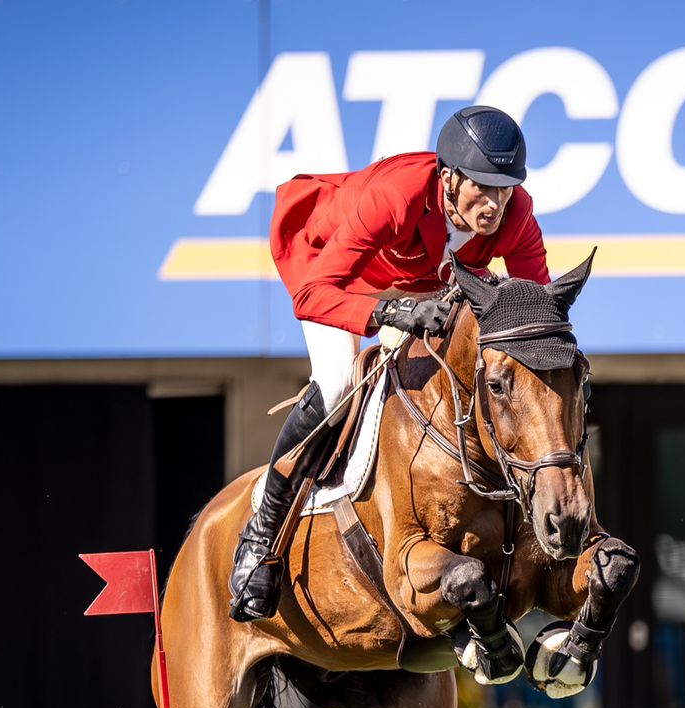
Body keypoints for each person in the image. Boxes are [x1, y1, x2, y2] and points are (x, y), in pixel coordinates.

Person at [227, 105, 552, 622]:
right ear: (447, 177)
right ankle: (261, 535)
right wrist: (389, 311)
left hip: (425, 284)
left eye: (505, 188)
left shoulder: (516, 215)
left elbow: (532, 310)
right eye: (481, 189)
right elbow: (313, 293)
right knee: (336, 385)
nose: (494, 204)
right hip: (334, 271)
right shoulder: (395, 194)